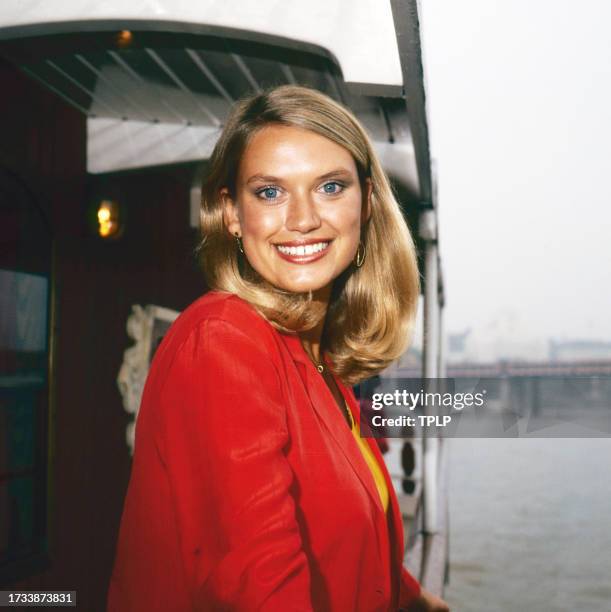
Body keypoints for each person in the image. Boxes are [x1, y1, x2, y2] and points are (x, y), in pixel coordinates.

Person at [107, 85, 450, 612]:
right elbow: (260, 587)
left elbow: (346, 546)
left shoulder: (317, 362)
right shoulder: (222, 342)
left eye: (330, 187)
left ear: (368, 202)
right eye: (270, 192)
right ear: (230, 213)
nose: (303, 218)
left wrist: (417, 601)